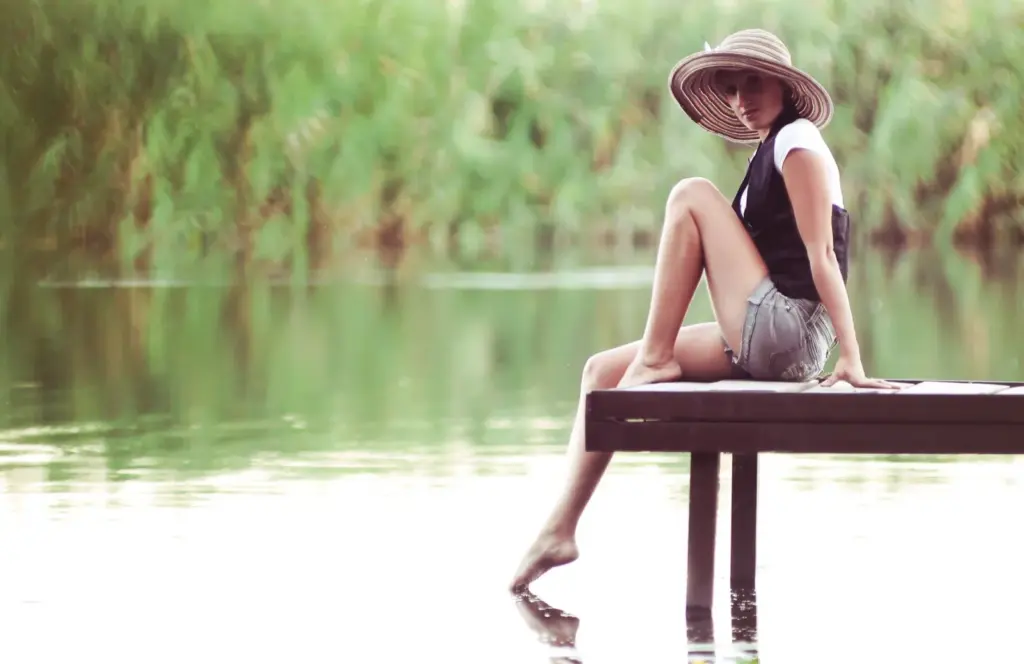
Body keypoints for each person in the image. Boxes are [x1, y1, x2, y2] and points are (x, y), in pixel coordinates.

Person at [509, 28, 901, 593]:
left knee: (691, 193)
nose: (742, 100)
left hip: (789, 332)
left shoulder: (799, 143)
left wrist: (853, 359)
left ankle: (656, 356)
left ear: (785, 86)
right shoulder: (770, 153)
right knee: (600, 373)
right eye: (732, 89)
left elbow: (822, 256)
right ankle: (560, 529)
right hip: (764, 334)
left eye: (752, 84)